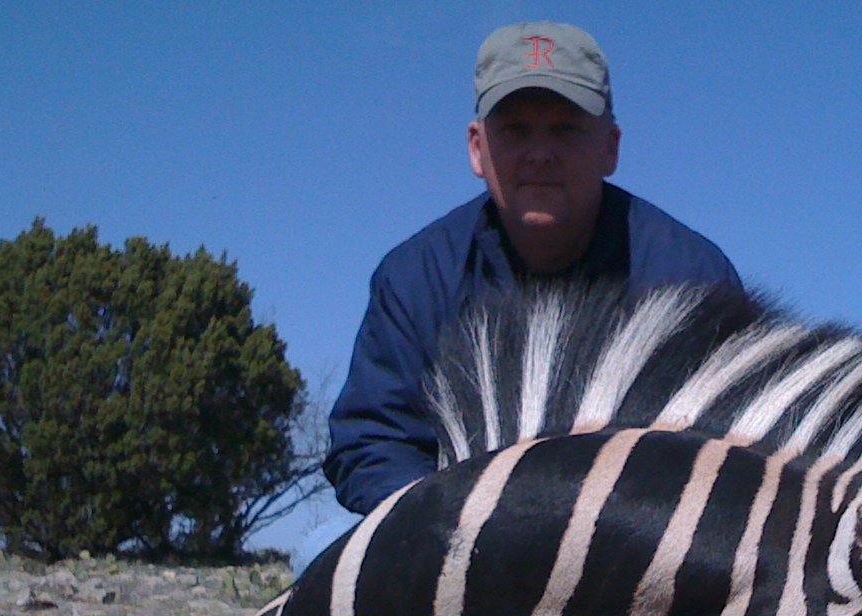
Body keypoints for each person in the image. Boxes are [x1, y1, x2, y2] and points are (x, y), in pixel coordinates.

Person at [295, 21, 740, 573]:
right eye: (516, 130)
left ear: (610, 147)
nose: (540, 153)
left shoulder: (691, 277)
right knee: (316, 552)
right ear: (477, 148)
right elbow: (373, 439)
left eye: (565, 130)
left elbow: (730, 452)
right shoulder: (416, 276)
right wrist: (448, 527)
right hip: (457, 549)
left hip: (635, 552)